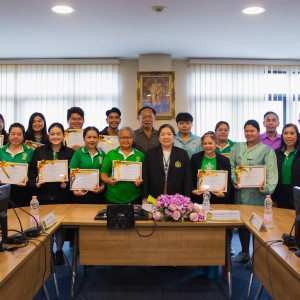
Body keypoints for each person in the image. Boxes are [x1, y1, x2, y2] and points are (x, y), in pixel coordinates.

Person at [230, 119, 278, 263]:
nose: (249, 133)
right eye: (246, 130)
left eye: (252, 130)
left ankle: (257, 257)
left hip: (258, 194)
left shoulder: (267, 151)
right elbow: (232, 166)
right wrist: (234, 180)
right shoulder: (237, 148)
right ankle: (244, 252)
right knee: (243, 224)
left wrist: (267, 187)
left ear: (258, 132)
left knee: (258, 225)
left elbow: (272, 172)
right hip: (240, 193)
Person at [28, 122, 74, 265]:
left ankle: (59, 250)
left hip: (62, 195)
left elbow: (74, 175)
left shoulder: (70, 153)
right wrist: (36, 182)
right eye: (52, 134)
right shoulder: (39, 151)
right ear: (48, 135)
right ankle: (48, 251)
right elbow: (31, 172)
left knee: (60, 225)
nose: (55, 137)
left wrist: (67, 184)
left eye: (58, 134)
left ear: (63, 135)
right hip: (44, 194)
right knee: (45, 225)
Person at [142, 124, 192, 200]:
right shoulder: (150, 154)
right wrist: (145, 197)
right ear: (158, 138)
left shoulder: (182, 154)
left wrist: (186, 198)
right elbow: (145, 176)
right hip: (154, 197)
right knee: (154, 211)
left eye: (169, 134)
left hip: (177, 198)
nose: (166, 137)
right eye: (162, 134)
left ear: (174, 137)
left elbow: (188, 178)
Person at [101, 127, 144, 204]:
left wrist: (140, 181)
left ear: (133, 138)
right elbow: (104, 172)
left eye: (128, 137)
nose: (125, 140)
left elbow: (144, 175)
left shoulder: (140, 155)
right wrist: (108, 180)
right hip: (113, 197)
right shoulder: (111, 154)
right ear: (118, 138)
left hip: (134, 197)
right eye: (122, 137)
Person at [191, 131, 232, 204]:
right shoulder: (195, 158)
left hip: (218, 198)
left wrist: (224, 194)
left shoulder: (225, 160)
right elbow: (190, 177)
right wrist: (193, 190)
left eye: (210, 143)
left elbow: (228, 181)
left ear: (216, 143)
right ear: (202, 145)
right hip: (199, 197)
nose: (207, 146)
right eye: (204, 143)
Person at [69, 126, 106, 204]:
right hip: (81, 193)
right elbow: (71, 172)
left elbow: (104, 173)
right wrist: (74, 191)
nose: (92, 140)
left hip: (97, 193)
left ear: (98, 139)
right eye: (89, 137)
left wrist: (102, 187)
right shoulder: (78, 153)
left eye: (94, 137)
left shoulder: (102, 154)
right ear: (84, 139)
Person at [0, 123, 34, 207]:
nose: (15, 137)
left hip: (22, 191)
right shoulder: (1, 150)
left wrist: (28, 178)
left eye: (19, 134)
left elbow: (33, 170)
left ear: (23, 136)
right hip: (3, 189)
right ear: (8, 135)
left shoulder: (30, 151)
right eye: (13, 134)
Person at [272, 123, 300, 209]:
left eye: (292, 133)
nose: (288, 136)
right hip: (280, 192)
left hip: (297, 192)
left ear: (297, 136)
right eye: (285, 133)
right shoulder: (277, 153)